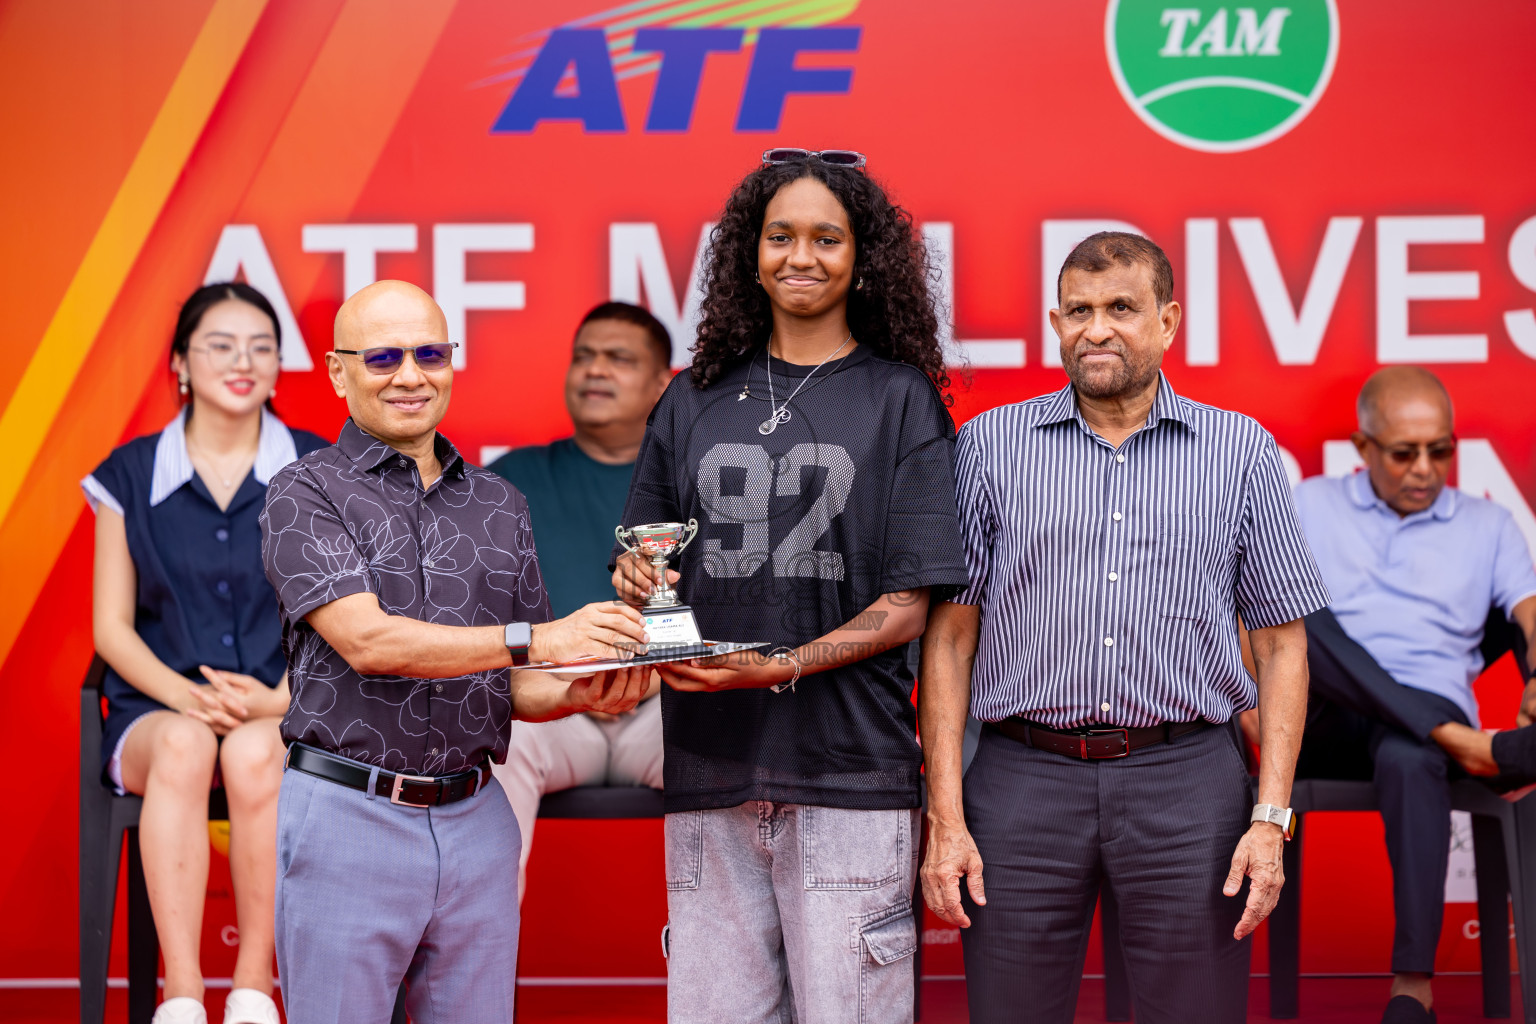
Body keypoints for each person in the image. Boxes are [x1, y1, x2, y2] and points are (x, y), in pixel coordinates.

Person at [919, 231, 1331, 1024]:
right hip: (1020, 780)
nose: (1096, 329)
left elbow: (1282, 645)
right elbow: (948, 638)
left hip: (1188, 785)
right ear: (1055, 320)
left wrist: (1270, 819)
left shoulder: (1240, 452)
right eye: (1078, 310)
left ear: (1169, 321)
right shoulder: (990, 447)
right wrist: (947, 817)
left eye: (1121, 308)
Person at [611, 149, 969, 1024]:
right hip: (710, 769)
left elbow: (908, 606)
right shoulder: (689, 399)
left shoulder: (899, 399)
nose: (799, 256)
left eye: (825, 238)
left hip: (849, 773)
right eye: (780, 236)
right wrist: (633, 578)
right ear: (749, 251)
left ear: (863, 258)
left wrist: (781, 665)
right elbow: (644, 559)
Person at [259, 280, 652, 1022]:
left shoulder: (500, 503)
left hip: (478, 821)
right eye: (382, 357)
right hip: (350, 814)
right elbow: (367, 641)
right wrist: (539, 640)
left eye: (429, 353)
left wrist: (582, 690)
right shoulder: (304, 491)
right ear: (339, 372)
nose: (410, 375)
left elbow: (518, 684)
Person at [83, 282, 328, 1024]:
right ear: (181, 363)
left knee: (257, 752)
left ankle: (254, 986)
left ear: (280, 367)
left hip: (281, 706)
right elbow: (111, 630)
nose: (242, 361)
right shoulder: (129, 475)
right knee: (189, 748)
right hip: (160, 710)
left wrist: (280, 699)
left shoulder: (318, 471)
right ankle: (182, 992)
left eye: (260, 346)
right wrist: (189, 697)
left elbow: (337, 615)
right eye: (220, 345)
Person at [1287, 366, 1536, 1023]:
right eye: (1404, 453)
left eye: (1441, 450)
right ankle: (1470, 747)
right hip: (1326, 717)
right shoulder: (1309, 504)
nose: (1426, 468)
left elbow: (1530, 615)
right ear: (1363, 448)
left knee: (1406, 754)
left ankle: (1412, 985)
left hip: (1418, 726)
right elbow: (1260, 618)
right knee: (1301, 617)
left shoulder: (1488, 524)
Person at [489, 301, 672, 900]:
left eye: (618, 359)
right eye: (584, 356)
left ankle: (737, 984)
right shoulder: (510, 478)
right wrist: (552, 686)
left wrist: (652, 679)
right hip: (550, 708)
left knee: (735, 744)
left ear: (662, 383)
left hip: (662, 712)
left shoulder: (701, 480)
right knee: (491, 743)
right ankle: (477, 982)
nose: (595, 370)